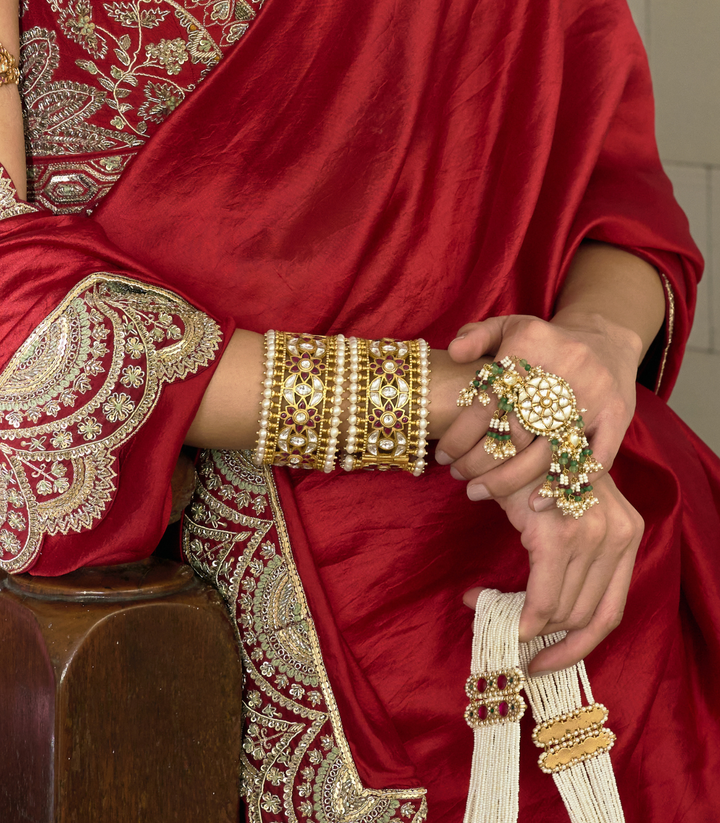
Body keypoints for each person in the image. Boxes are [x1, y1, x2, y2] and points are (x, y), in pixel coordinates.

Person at [1, 0, 719, 820]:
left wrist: (594, 347)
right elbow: (13, 307)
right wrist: (456, 396)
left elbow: (612, 181)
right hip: (226, 627)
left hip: (592, 572)